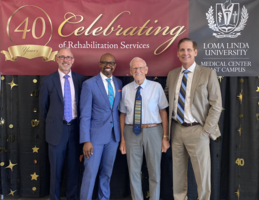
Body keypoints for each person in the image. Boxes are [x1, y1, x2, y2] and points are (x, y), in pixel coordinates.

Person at [165, 38, 222, 200]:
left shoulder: (208, 73)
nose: (185, 53)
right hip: (176, 129)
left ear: (195, 52)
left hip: (198, 130)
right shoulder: (172, 74)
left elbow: (216, 105)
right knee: (178, 172)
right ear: (177, 53)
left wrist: (207, 130)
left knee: (202, 173)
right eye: (182, 50)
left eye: (189, 50)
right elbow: (166, 98)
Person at [119, 57, 170, 200]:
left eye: (141, 68)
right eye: (135, 68)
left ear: (146, 70)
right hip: (131, 132)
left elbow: (163, 112)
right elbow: (122, 115)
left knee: (154, 171)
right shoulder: (125, 90)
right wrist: (122, 139)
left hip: (153, 131)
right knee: (133, 171)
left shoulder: (156, 87)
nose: (138, 71)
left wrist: (165, 137)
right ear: (130, 71)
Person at [39, 47, 85, 200]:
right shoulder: (47, 80)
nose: (66, 60)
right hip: (56, 131)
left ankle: (72, 197)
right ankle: (55, 198)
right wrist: (56, 122)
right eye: (62, 57)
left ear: (73, 60)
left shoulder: (81, 79)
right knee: (56, 170)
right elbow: (43, 108)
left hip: (75, 130)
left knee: (73, 169)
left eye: (69, 57)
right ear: (56, 59)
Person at [80, 53, 122, 200]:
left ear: (115, 65)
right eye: (104, 62)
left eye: (111, 63)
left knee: (106, 174)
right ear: (99, 64)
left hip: (113, 137)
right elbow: (84, 115)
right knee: (90, 174)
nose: (108, 65)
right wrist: (86, 140)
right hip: (94, 139)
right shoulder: (89, 84)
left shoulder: (119, 83)